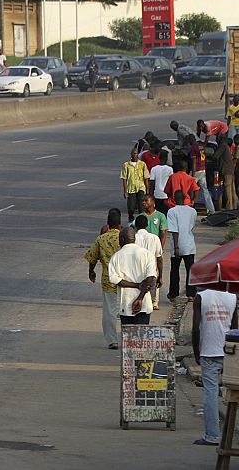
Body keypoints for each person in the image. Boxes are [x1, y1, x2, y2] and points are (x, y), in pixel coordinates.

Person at [192, 289, 238, 446]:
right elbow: (235, 329)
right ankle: (229, 436)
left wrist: (197, 352)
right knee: (234, 393)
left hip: (208, 351)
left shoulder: (201, 297)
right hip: (228, 351)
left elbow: (196, 328)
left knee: (210, 393)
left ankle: (212, 435)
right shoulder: (232, 297)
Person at [84, 209, 123, 349]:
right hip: (127, 280)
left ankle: (112, 340)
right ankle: (129, 339)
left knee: (109, 311)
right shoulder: (125, 237)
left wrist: (91, 271)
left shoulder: (101, 239)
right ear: (119, 224)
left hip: (108, 280)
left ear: (107, 224)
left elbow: (92, 257)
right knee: (126, 309)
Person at [108, 227, 157, 325]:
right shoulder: (147, 254)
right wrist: (140, 298)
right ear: (134, 239)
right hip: (144, 303)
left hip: (126, 304)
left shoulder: (116, 257)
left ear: (122, 240)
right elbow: (150, 277)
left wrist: (136, 285)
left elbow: (115, 280)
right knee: (142, 336)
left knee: (128, 337)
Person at [167, 190, 197, 300]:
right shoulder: (193, 211)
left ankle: (173, 293)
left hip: (177, 245)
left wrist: (176, 246)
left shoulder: (172, 212)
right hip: (189, 244)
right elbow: (191, 225)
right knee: (190, 270)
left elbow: (174, 230)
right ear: (185, 198)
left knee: (174, 270)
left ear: (174, 198)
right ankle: (191, 294)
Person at [134, 215, 163, 310]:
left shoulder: (132, 238)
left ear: (135, 226)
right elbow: (159, 258)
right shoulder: (154, 238)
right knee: (149, 301)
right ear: (147, 225)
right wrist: (160, 276)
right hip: (151, 272)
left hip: (136, 272)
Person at [121, 147, 149, 223]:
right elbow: (124, 178)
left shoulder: (142, 164)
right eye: (133, 153)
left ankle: (141, 222)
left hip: (141, 187)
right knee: (131, 207)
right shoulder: (126, 165)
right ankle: (131, 217)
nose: (134, 155)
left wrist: (147, 191)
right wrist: (125, 191)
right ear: (131, 154)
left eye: (136, 153)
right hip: (131, 188)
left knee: (141, 206)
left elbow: (146, 177)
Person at [190, 137, 215, 215]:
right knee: (205, 190)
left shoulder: (193, 147)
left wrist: (193, 174)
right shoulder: (201, 146)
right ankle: (211, 209)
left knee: (190, 189)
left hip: (196, 171)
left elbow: (194, 161)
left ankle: (190, 206)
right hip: (203, 170)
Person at [213, 134, 237, 210]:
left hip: (226, 171)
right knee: (232, 190)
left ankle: (229, 207)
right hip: (230, 170)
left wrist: (207, 155)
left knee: (228, 190)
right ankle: (233, 207)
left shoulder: (222, 146)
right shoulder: (226, 146)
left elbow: (215, 156)